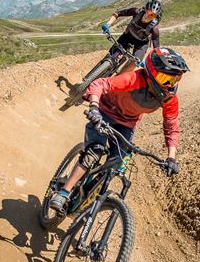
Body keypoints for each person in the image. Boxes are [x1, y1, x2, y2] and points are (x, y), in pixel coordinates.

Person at [49, 47, 189, 213]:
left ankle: (87, 199)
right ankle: (64, 192)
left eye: (174, 79)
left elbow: (171, 126)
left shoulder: (169, 98)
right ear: (151, 72)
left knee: (116, 164)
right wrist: (94, 107)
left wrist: (171, 158)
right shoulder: (135, 79)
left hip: (127, 123)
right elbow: (100, 84)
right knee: (94, 151)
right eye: (165, 77)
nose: (169, 85)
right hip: (104, 112)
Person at [101, 0, 162, 72]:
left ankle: (118, 78)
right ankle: (101, 67)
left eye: (153, 15)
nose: (149, 15)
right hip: (128, 36)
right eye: (149, 12)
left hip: (141, 44)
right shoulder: (136, 12)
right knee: (112, 54)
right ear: (145, 9)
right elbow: (118, 13)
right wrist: (108, 24)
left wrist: (157, 60)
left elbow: (156, 48)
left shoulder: (154, 28)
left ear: (156, 16)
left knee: (134, 62)